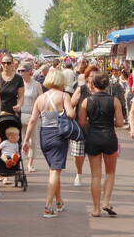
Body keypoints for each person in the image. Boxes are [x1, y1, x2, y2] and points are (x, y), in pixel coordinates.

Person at [22, 70, 75, 217]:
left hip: (45, 135)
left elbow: (32, 121)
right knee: (55, 171)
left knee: (54, 169)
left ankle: (59, 201)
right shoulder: (64, 96)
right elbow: (70, 114)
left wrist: (26, 140)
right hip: (59, 136)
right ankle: (47, 205)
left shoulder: (40, 98)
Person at [78, 71, 124, 217]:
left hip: (93, 138)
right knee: (110, 173)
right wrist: (111, 121)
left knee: (95, 176)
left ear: (92, 84)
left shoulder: (87, 101)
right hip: (109, 137)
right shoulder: (115, 101)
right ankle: (106, 201)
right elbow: (120, 123)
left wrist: (91, 121)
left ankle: (96, 209)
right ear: (107, 84)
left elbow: (82, 122)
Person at [70, 64, 100, 186]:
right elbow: (71, 103)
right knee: (78, 155)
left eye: (96, 76)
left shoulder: (100, 90)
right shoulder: (81, 89)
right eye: (91, 76)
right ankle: (79, 173)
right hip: (80, 127)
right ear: (86, 77)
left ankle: (95, 177)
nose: (93, 78)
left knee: (95, 154)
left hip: (95, 127)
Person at [18, 61, 43, 172]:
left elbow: (41, 98)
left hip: (33, 116)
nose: (20, 73)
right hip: (21, 114)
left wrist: (39, 111)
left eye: (22, 71)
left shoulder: (36, 84)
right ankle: (20, 160)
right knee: (20, 138)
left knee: (33, 140)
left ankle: (31, 163)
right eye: (19, 71)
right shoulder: (19, 83)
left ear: (29, 71)